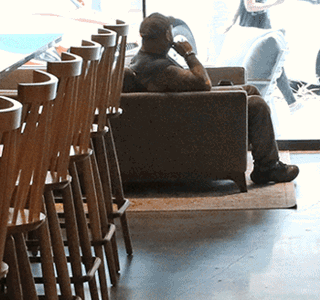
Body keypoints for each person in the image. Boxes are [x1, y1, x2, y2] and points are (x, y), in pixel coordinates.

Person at [125, 12, 299, 185]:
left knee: (250, 90)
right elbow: (204, 83)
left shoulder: (141, 60)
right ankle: (267, 167)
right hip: (198, 118)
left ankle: (264, 158)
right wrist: (189, 54)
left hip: (191, 107)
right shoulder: (162, 69)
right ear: (167, 35)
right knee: (256, 105)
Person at [234, 0, 301, 110]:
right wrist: (274, 3)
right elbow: (249, 6)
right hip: (253, 30)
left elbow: (241, 6)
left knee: (273, 64)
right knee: (271, 64)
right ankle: (291, 102)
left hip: (261, 28)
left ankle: (291, 103)